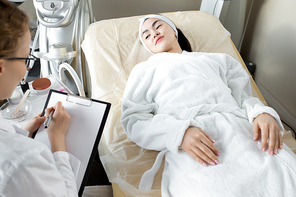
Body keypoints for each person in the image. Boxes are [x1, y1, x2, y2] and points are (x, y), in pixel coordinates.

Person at [121, 14, 296, 196]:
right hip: (193, 140)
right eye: (146, 36)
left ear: (174, 31)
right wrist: (178, 133)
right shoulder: (144, 71)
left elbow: (244, 97)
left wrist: (261, 113)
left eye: (158, 26)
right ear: (147, 47)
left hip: (240, 132)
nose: (153, 33)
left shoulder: (219, 60)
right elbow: (134, 119)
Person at [0, 0, 79, 196]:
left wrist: (22, 132)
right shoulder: (23, 160)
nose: (27, 69)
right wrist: (57, 140)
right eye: (25, 58)